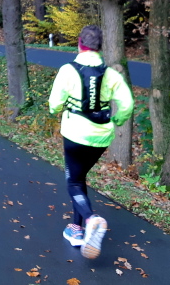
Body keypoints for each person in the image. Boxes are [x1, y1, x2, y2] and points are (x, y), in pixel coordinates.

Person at [48, 25, 134, 259]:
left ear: (80, 43)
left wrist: (57, 109)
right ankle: (75, 230)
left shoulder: (68, 70)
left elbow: (54, 104)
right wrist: (117, 119)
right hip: (101, 137)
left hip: (75, 135)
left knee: (73, 182)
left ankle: (90, 219)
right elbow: (127, 104)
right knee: (80, 177)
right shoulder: (111, 74)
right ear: (99, 47)